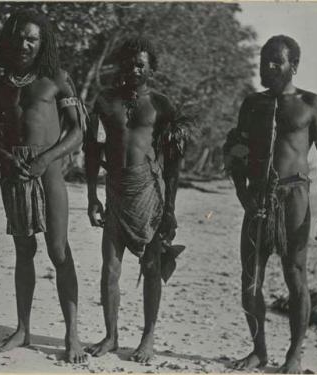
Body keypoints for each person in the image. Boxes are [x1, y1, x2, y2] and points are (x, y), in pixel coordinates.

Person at [224, 35, 317, 373]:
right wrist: (241, 192)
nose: (268, 66)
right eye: (264, 59)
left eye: (277, 60)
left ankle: (294, 354)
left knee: (295, 275)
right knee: (250, 279)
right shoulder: (252, 104)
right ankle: (259, 350)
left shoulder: (311, 103)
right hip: (258, 199)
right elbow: (236, 151)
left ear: (294, 66)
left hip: (294, 198)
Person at [0, 11, 88, 364]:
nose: (24, 44)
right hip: (14, 172)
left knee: (59, 252)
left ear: (42, 42)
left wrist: (46, 159)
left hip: (48, 172)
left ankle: (72, 333)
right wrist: (5, 156)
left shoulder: (57, 79)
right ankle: (22, 328)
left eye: (32, 38)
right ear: (8, 40)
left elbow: (77, 132)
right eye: (18, 37)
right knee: (23, 251)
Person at [84, 37, 187, 363]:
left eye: (141, 64)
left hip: (149, 194)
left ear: (151, 69)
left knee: (152, 266)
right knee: (110, 268)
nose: (134, 70)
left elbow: (174, 163)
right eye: (129, 64)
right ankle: (111, 336)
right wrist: (91, 196)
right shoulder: (104, 101)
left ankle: (148, 337)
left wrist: (170, 207)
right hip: (115, 190)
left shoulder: (162, 105)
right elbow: (91, 151)